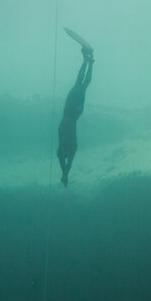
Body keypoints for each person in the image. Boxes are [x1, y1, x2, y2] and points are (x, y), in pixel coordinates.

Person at [57, 28, 94, 186]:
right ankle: (87, 61)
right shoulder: (65, 151)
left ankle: (88, 61)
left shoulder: (68, 151)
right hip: (71, 113)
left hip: (74, 113)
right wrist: (65, 175)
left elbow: (66, 166)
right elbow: (65, 165)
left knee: (82, 84)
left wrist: (65, 175)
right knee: (81, 84)